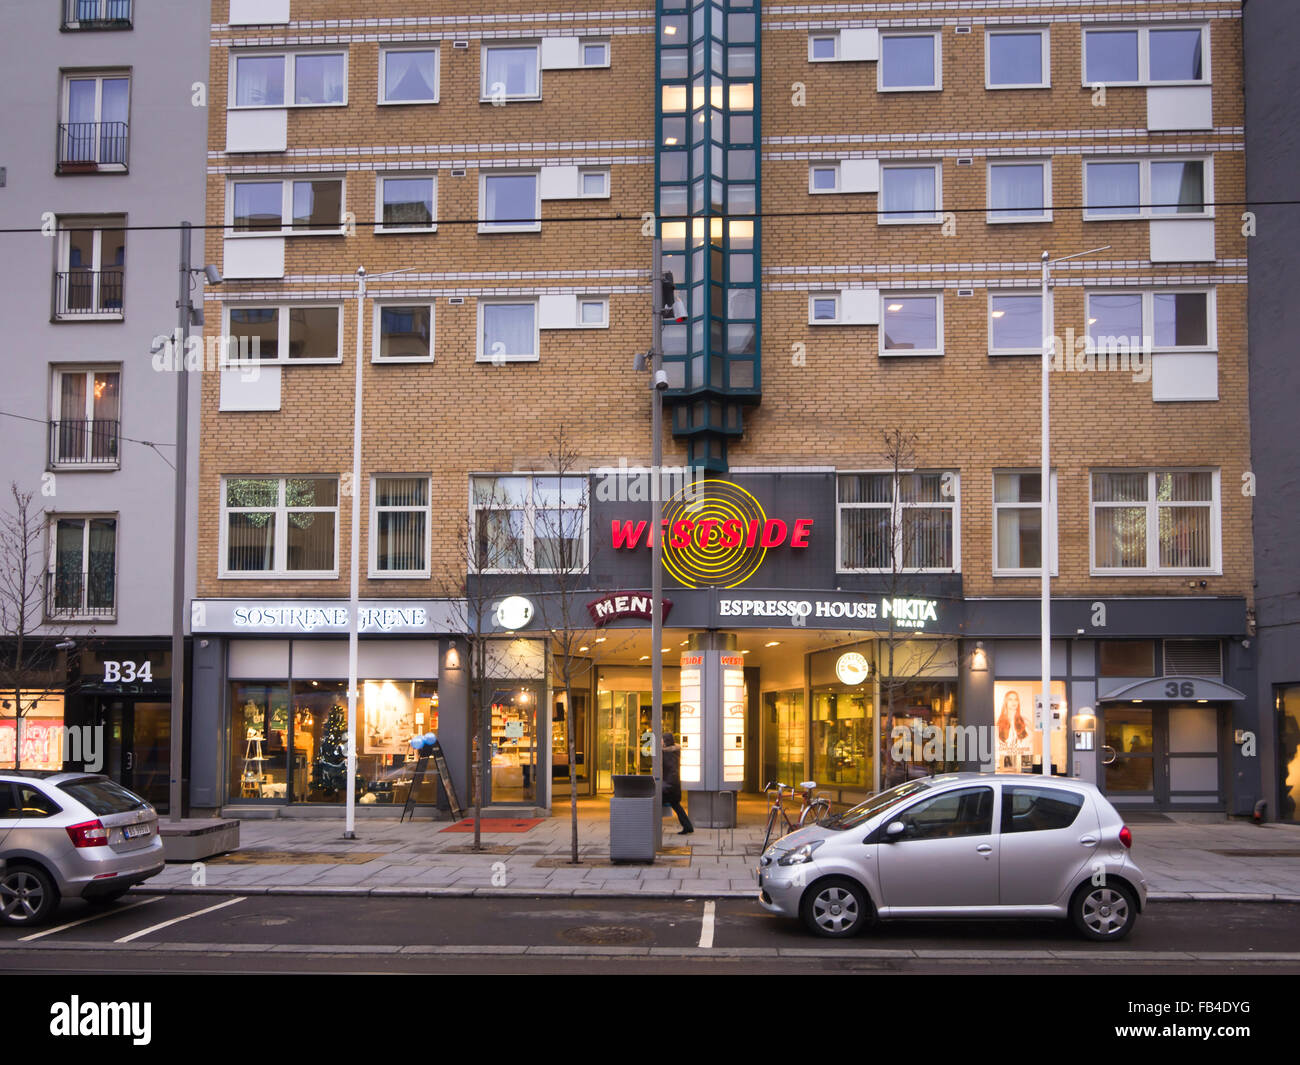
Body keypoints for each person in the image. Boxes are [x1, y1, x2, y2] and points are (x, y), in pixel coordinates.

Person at [661, 731, 694, 835]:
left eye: (662, 740)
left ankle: (651, 827)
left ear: (666, 741)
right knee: (676, 806)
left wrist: (666, 785)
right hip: (672, 784)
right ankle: (688, 826)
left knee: (657, 804)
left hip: (669, 785)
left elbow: (669, 769)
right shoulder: (672, 752)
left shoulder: (667, 753)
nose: (661, 742)